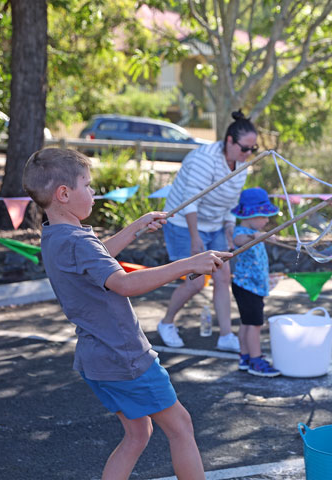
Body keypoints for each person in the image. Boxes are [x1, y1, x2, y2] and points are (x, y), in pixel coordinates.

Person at [22, 148, 231, 479]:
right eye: (87, 185)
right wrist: (190, 263)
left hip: (97, 360)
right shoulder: (79, 241)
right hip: (125, 356)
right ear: (64, 194)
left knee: (138, 434)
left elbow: (96, 257)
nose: (93, 192)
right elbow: (124, 283)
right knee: (180, 427)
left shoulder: (56, 237)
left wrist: (136, 227)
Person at [158, 110, 259, 351]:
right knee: (195, 282)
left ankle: (226, 335)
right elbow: (190, 201)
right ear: (229, 141)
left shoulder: (242, 165)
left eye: (252, 150)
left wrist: (229, 230)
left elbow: (229, 204)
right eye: (244, 148)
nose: (248, 154)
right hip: (184, 223)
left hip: (214, 225)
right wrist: (195, 239)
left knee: (223, 276)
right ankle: (166, 322)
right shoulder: (203, 159)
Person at [229, 187, 282, 377]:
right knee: (254, 325)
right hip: (247, 287)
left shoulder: (255, 232)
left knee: (246, 323)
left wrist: (265, 236)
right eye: (264, 216)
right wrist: (254, 237)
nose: (267, 220)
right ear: (251, 216)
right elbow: (239, 239)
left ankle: (245, 357)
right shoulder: (242, 232)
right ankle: (256, 361)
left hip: (251, 286)